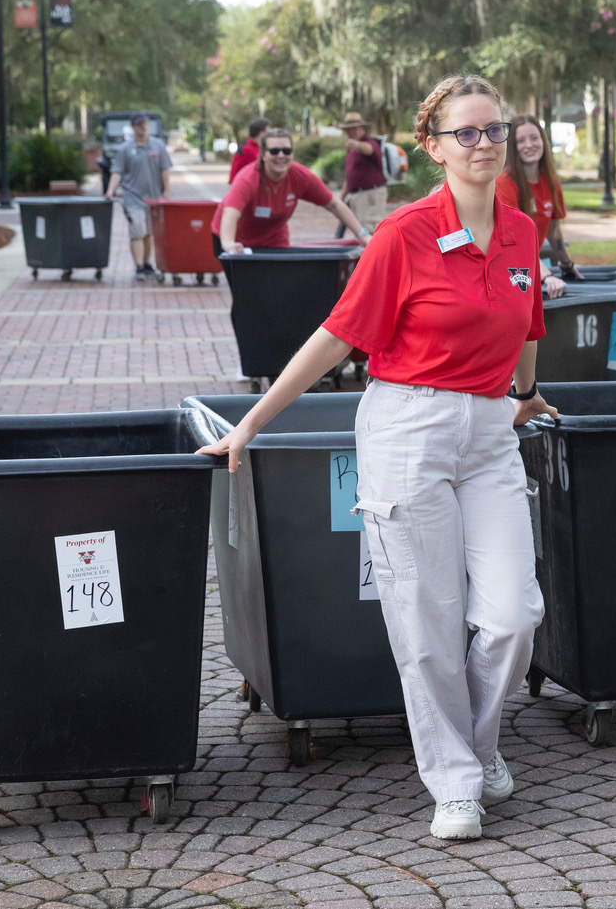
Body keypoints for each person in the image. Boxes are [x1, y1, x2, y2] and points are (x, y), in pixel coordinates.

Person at [198, 75, 552, 841]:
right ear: (432, 146)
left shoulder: (521, 231)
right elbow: (337, 336)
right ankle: (456, 781)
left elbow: (527, 323)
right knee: (426, 620)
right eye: (468, 133)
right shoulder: (403, 234)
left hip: (490, 435)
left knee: (513, 613)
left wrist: (525, 393)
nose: (486, 144)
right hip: (408, 427)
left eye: (496, 129)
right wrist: (251, 423)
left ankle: (479, 749)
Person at [210, 127, 371, 254]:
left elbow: (334, 205)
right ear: (263, 155)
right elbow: (230, 213)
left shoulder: (300, 176)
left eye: (286, 151)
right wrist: (228, 244)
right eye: (274, 151)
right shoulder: (247, 179)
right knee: (245, 293)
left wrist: (362, 235)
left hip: (273, 241)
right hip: (236, 240)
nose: (281, 155)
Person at [495, 113, 582, 285]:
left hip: (528, 268)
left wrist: (566, 264)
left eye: (534, 138)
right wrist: (547, 276)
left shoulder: (551, 182)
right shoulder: (504, 185)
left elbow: (553, 230)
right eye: (521, 141)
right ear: (512, 146)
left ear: (543, 141)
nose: (529, 145)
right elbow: (514, 243)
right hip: (505, 273)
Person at [104, 113, 172, 281]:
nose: (144, 127)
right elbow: (117, 171)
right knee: (138, 231)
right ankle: (139, 266)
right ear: (133, 127)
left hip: (153, 199)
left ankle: (147, 264)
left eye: (145, 124)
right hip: (132, 197)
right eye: (140, 125)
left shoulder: (157, 146)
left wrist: (166, 192)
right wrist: (110, 189)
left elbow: (165, 171)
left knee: (149, 233)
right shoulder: (126, 149)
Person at [338, 111, 386, 235]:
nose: (351, 132)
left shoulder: (369, 143)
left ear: (362, 129)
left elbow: (369, 149)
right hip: (356, 196)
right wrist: (341, 197)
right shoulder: (352, 149)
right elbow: (349, 176)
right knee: (361, 231)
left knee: (372, 229)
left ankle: (378, 254)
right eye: (348, 130)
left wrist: (358, 145)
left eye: (354, 129)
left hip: (370, 194)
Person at [228, 117, 271, 184]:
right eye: (268, 132)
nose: (270, 135)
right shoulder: (248, 150)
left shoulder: (253, 148)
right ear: (261, 133)